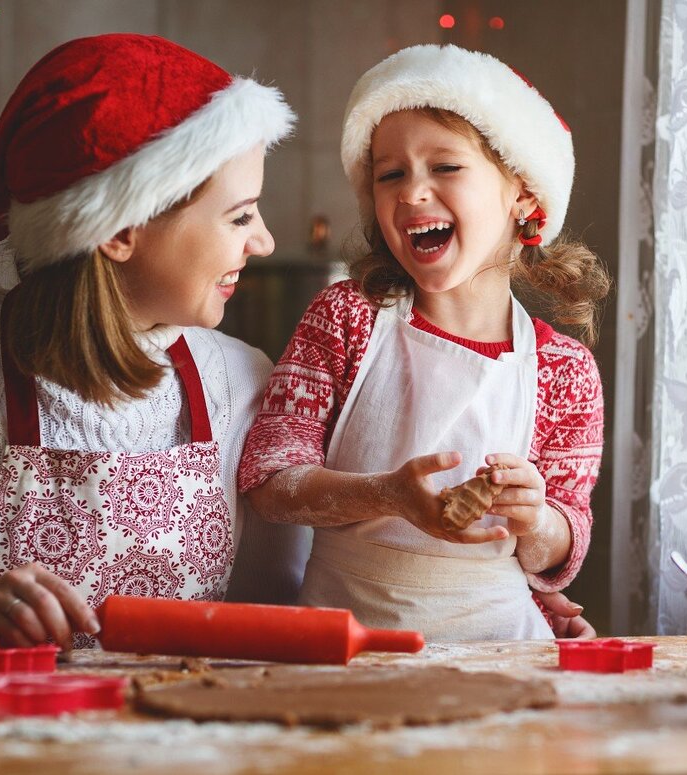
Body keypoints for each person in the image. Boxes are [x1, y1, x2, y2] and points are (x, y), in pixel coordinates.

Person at [0, 33, 303, 648]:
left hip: (183, 738)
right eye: (240, 216)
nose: (261, 242)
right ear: (120, 232)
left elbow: (272, 614)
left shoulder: (242, 381)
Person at [239, 45, 610, 641]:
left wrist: (535, 518)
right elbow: (270, 482)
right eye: (390, 174)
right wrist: (388, 495)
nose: (411, 192)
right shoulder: (345, 320)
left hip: (498, 649)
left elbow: (564, 544)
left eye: (445, 167)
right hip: (345, 643)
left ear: (524, 194)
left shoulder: (564, 370)